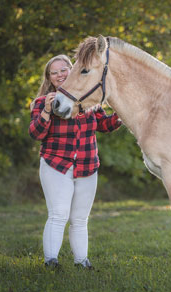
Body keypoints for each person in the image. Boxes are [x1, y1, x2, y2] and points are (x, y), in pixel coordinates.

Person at [28, 54, 121, 268]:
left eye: (64, 70)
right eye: (55, 72)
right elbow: (36, 134)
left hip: (87, 166)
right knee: (59, 214)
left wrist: (120, 115)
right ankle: (51, 261)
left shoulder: (89, 100)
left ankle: (81, 261)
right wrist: (46, 112)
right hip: (56, 164)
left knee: (80, 219)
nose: (61, 75)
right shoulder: (44, 102)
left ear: (72, 71)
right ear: (49, 78)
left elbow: (104, 125)